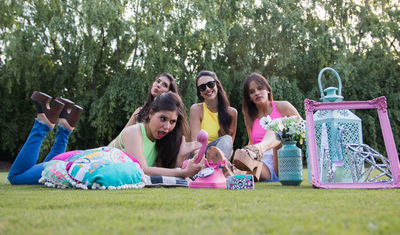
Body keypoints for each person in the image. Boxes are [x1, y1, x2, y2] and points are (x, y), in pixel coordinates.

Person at [7, 91, 202, 185]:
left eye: (173, 121)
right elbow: (144, 170)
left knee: (49, 166)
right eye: (163, 119)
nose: (167, 126)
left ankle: (65, 129)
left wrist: (180, 157)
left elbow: (158, 173)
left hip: (82, 164)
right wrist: (180, 172)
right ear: (150, 113)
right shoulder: (135, 132)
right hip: (77, 162)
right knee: (16, 177)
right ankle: (42, 125)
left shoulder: (160, 142)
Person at [232, 73, 302, 182]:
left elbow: (304, 129)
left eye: (260, 88)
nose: (257, 93)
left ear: (268, 90)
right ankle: (233, 172)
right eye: (252, 91)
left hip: (282, 159)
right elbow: (251, 142)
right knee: (244, 161)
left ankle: (260, 149)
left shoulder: (284, 106)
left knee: (279, 126)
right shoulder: (250, 116)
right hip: (262, 163)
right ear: (249, 97)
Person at [189, 71, 237, 162]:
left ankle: (215, 169)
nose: (207, 89)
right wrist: (201, 161)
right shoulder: (196, 109)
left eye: (210, 84)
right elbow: (195, 144)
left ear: (217, 85)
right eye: (202, 87)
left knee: (227, 139)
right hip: (200, 155)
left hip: (221, 157)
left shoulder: (232, 112)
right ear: (200, 92)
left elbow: (230, 146)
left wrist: (224, 161)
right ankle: (213, 170)